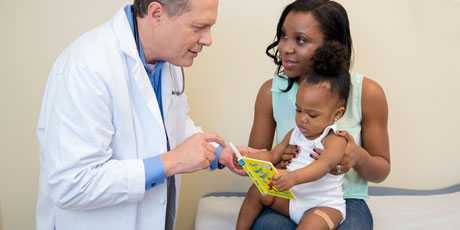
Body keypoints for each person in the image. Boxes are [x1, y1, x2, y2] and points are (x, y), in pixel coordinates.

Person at [36, 0, 245, 229]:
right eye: (198, 27)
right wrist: (172, 161)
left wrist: (220, 153)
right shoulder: (87, 66)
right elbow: (72, 184)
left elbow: (170, 125)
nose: (208, 39)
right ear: (156, 13)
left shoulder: (168, 59)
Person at [249, 0, 390, 229]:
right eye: (283, 36)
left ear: (331, 45)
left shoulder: (368, 93)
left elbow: (381, 170)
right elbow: (254, 162)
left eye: (301, 40)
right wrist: (274, 158)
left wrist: (358, 157)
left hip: (343, 200)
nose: (286, 48)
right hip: (290, 194)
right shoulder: (270, 92)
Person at [237, 42, 351, 230]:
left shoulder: (335, 139)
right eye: (299, 110)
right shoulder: (294, 133)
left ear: (337, 114)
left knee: (310, 226)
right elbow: (272, 156)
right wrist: (246, 157)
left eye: (312, 115)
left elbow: (323, 166)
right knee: (257, 191)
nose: (303, 119)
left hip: (322, 206)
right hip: (293, 200)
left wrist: (292, 178)